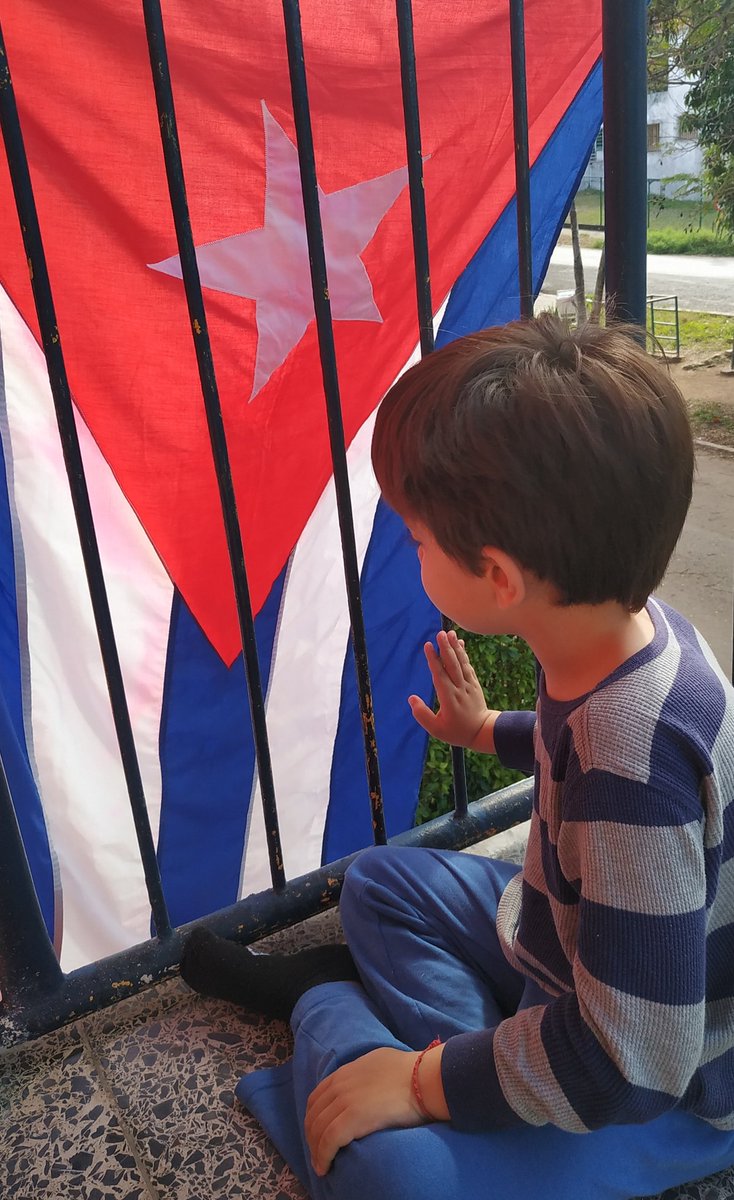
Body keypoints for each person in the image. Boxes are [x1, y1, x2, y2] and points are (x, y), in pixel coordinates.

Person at [181, 315, 734, 1200]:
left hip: (666, 1085)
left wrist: (417, 1084)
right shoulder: (624, 630)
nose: (412, 551)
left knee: (393, 1176)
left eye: (419, 540)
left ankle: (332, 1008)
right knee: (378, 882)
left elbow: (633, 1065)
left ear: (500, 578)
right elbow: (570, 744)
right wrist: (484, 731)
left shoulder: (635, 765)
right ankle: (472, 1058)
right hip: (568, 949)